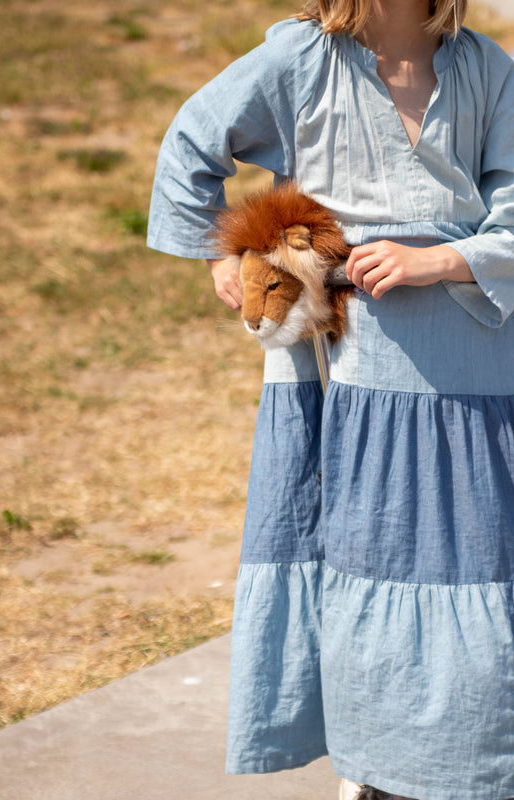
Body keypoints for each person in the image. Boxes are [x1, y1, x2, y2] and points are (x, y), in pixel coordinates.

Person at [147, 1, 514, 798]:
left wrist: (442, 260)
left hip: (471, 362)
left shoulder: (486, 66)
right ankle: (378, 765)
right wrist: (227, 256)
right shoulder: (299, 60)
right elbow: (190, 146)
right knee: (365, 548)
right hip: (343, 364)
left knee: (472, 553)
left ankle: (465, 763)